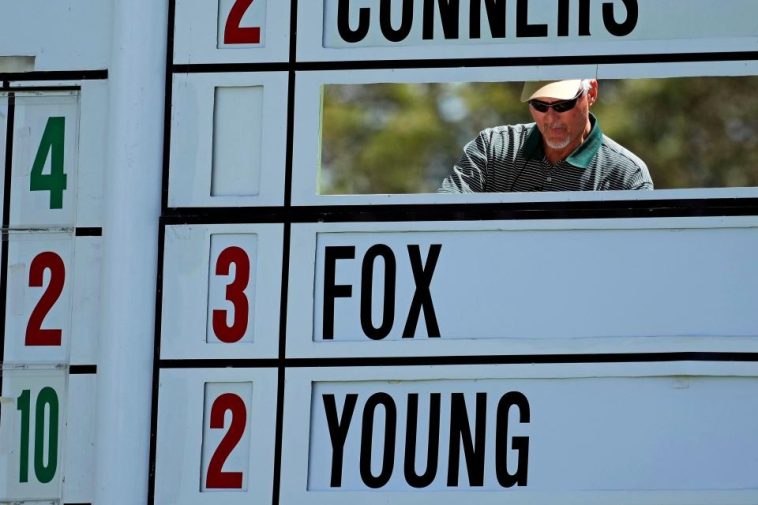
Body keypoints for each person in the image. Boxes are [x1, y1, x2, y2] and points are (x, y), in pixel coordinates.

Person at [439, 79, 653, 192]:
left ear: (592, 93)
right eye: (539, 105)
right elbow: (443, 217)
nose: (550, 118)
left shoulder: (627, 176)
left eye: (563, 105)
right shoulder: (492, 148)